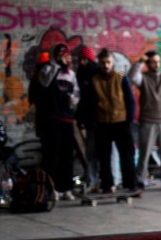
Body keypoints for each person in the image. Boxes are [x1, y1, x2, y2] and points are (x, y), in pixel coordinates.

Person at [35, 44, 80, 199]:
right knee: (51, 154)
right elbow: (45, 83)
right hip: (51, 119)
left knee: (67, 154)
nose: (65, 58)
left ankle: (66, 188)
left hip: (66, 118)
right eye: (62, 55)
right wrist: (56, 65)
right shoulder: (47, 69)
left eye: (66, 55)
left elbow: (77, 93)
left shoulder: (71, 74)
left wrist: (73, 100)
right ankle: (50, 188)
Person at [91, 49, 137, 193]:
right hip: (103, 123)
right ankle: (107, 185)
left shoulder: (121, 78)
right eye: (103, 62)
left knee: (127, 155)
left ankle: (131, 184)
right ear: (99, 63)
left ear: (112, 63)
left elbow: (130, 101)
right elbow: (90, 103)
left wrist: (129, 121)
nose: (105, 65)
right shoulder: (94, 80)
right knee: (104, 157)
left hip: (121, 123)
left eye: (108, 62)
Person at [129, 50, 161, 191]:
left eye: (158, 62)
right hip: (148, 121)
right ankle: (140, 179)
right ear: (148, 63)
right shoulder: (143, 78)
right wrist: (140, 62)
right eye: (153, 62)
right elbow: (131, 77)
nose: (157, 64)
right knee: (144, 153)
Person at [73, 46, 100, 191]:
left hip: (99, 118)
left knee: (98, 151)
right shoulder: (81, 74)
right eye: (80, 59)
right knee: (91, 151)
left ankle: (99, 180)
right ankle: (92, 180)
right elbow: (82, 100)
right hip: (90, 118)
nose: (82, 62)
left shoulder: (95, 73)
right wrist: (80, 118)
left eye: (85, 59)